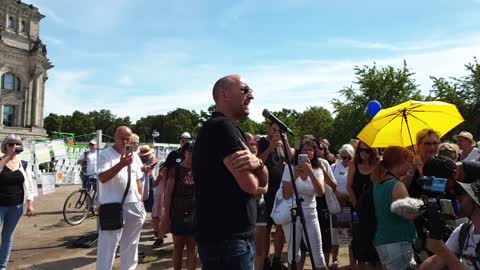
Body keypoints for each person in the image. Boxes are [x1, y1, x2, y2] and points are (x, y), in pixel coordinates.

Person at [193, 74, 268, 270]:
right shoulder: (221, 127)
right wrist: (260, 172)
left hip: (232, 239)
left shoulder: (234, 131)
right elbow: (251, 186)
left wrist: (259, 165)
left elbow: (263, 185)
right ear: (224, 94)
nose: (251, 95)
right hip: (227, 241)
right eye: (245, 89)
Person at [96, 126, 145, 270]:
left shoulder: (135, 156)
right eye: (122, 138)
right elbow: (102, 177)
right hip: (112, 206)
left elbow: (137, 179)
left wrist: (140, 200)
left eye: (127, 139)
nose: (125, 142)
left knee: (131, 244)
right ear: (115, 138)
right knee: (108, 245)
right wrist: (121, 164)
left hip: (134, 204)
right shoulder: (105, 155)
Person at [281, 139, 327, 270]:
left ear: (314, 153)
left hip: (311, 215)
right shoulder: (288, 168)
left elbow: (320, 193)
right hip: (292, 215)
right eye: (304, 150)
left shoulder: (318, 170)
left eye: (310, 150)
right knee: (293, 256)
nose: (308, 152)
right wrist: (295, 174)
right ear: (299, 152)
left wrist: (310, 171)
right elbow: (286, 194)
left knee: (318, 256)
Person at [256, 122, 295, 270]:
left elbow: (291, 159)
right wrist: (270, 148)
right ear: (269, 129)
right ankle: (265, 259)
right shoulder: (262, 142)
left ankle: (277, 259)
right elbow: (257, 162)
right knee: (266, 228)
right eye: (274, 129)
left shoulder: (283, 143)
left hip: (281, 192)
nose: (277, 132)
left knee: (280, 227)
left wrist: (284, 141)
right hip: (267, 191)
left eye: (279, 130)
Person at [371, 146, 417, 270]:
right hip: (397, 242)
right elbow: (410, 214)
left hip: (384, 240)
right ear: (400, 161)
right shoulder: (396, 185)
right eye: (409, 161)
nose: (410, 164)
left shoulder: (379, 182)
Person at [419, 180, 480, 270]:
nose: (459, 198)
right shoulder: (463, 230)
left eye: (466, 194)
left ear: (476, 203)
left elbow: (444, 255)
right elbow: (436, 262)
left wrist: (442, 251)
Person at [0, 135, 34, 270]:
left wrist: (30, 204)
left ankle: (2, 265)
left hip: (16, 206)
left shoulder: (24, 164)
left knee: (7, 237)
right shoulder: (2, 161)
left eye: (16, 144)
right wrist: (9, 157)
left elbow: (30, 185)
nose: (14, 147)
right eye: (11, 144)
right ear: (5, 146)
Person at [152, 131, 191, 248]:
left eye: (187, 140)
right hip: (174, 189)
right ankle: (160, 237)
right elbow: (165, 169)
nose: (184, 142)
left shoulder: (194, 152)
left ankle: (187, 239)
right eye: (182, 140)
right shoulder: (174, 154)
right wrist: (165, 187)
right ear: (179, 141)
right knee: (166, 213)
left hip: (189, 190)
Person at [162, 141, 197, 270]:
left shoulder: (200, 170)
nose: (192, 154)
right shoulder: (175, 170)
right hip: (178, 211)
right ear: (184, 153)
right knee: (178, 247)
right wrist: (166, 216)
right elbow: (169, 194)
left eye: (194, 152)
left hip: (194, 212)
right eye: (189, 151)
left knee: (193, 248)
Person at [347, 140, 380, 269]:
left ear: (373, 151)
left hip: (375, 208)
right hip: (358, 208)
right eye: (360, 150)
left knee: (376, 245)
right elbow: (349, 187)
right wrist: (356, 206)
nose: (363, 153)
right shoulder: (353, 164)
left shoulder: (379, 164)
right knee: (359, 243)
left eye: (367, 150)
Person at [330, 143, 355, 268]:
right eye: (343, 157)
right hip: (336, 205)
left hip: (350, 205)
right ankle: (335, 258)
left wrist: (347, 196)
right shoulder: (333, 167)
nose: (346, 160)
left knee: (351, 234)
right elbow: (327, 185)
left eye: (349, 158)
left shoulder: (355, 168)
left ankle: (352, 260)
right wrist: (337, 194)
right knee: (336, 232)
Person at [138, 145, 156, 212]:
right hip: (141, 178)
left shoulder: (152, 157)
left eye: (146, 154)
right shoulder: (139, 158)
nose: (145, 156)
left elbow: (150, 169)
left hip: (150, 178)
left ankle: (150, 209)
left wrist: (144, 168)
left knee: (150, 192)